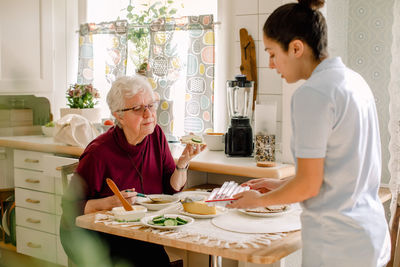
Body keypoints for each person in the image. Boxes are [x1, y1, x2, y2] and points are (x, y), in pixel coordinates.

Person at [227, 1, 390, 266]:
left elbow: (308, 184)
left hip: (339, 244)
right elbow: (337, 171)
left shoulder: (312, 93)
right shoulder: (354, 81)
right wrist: (282, 186)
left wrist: (258, 202)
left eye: (271, 53)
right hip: (368, 235)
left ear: (296, 48)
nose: (271, 64)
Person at [60, 75, 206, 267]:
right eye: (138, 108)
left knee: (155, 258)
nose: (148, 114)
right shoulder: (99, 152)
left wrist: (183, 163)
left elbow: (171, 189)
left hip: (137, 230)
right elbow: (69, 207)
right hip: (93, 236)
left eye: (151, 105)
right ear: (119, 115)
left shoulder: (156, 136)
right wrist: (109, 203)